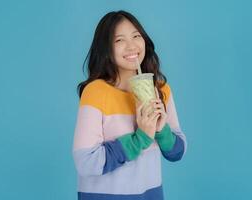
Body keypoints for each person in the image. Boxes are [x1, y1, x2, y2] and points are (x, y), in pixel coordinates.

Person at [73, 10, 187, 200]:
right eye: (119, 40)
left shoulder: (161, 90)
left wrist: (160, 130)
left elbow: (177, 153)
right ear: (106, 49)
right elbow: (86, 162)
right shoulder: (95, 92)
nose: (131, 45)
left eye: (136, 36)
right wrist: (140, 138)